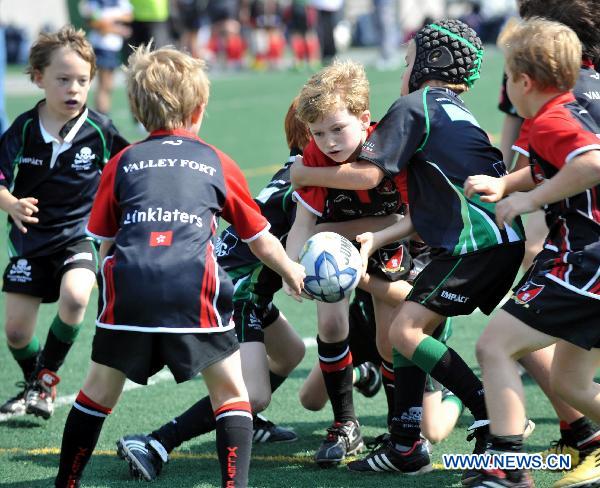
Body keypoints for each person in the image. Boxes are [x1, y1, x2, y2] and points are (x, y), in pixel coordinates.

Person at [53, 44, 305, 488]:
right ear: (200, 108)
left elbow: (103, 242)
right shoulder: (216, 161)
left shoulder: (122, 161)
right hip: (193, 288)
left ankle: (66, 483)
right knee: (231, 394)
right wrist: (290, 269)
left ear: (135, 108)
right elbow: (260, 239)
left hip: (129, 288)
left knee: (96, 392)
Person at [291, 19, 526, 478]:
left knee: (404, 333)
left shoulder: (414, 104)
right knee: (416, 329)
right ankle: (404, 444)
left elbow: (369, 175)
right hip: (494, 236)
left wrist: (303, 173)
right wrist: (376, 238)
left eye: (406, 62)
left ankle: (487, 416)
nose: (402, 72)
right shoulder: (455, 110)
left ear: (428, 63)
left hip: (471, 241)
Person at [113, 97, 310, 481]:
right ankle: (156, 441)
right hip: (235, 291)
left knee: (290, 352)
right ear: (310, 137)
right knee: (252, 394)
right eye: (328, 130)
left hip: (247, 286)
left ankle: (247, 422)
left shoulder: (301, 173)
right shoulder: (300, 183)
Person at [464, 18, 600, 488]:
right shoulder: (577, 100)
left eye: (505, 77)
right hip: (587, 261)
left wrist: (526, 200)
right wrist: (506, 183)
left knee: (494, 345)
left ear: (524, 82)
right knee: (571, 385)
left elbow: (591, 163)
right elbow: (554, 166)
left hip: (585, 262)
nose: (504, 88)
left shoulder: (550, 120)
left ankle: (507, 469)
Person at [0, 25, 128, 421]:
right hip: (29, 239)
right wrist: (11, 204)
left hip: (78, 236)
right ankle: (37, 383)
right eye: (62, 80)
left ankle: (44, 380)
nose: (74, 88)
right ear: (38, 78)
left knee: (76, 297)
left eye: (82, 80)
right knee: (17, 333)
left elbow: (130, 170)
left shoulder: (101, 130)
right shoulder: (22, 129)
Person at [286, 59, 411, 467]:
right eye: (319, 133)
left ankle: (399, 426)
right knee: (330, 323)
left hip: (388, 240)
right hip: (333, 247)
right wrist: (292, 265)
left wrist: (373, 235)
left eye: (338, 129)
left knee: (387, 337)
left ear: (364, 119)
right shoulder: (314, 156)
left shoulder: (388, 145)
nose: (329, 142)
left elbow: (409, 221)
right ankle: (345, 424)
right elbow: (304, 222)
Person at [79, 0, 133, 114]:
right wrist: (117, 29)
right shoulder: (93, 3)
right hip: (101, 47)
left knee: (108, 85)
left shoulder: (119, 2)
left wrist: (110, 21)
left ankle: (102, 115)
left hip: (113, 48)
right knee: (104, 85)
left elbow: (129, 16)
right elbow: (98, 24)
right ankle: (101, 115)